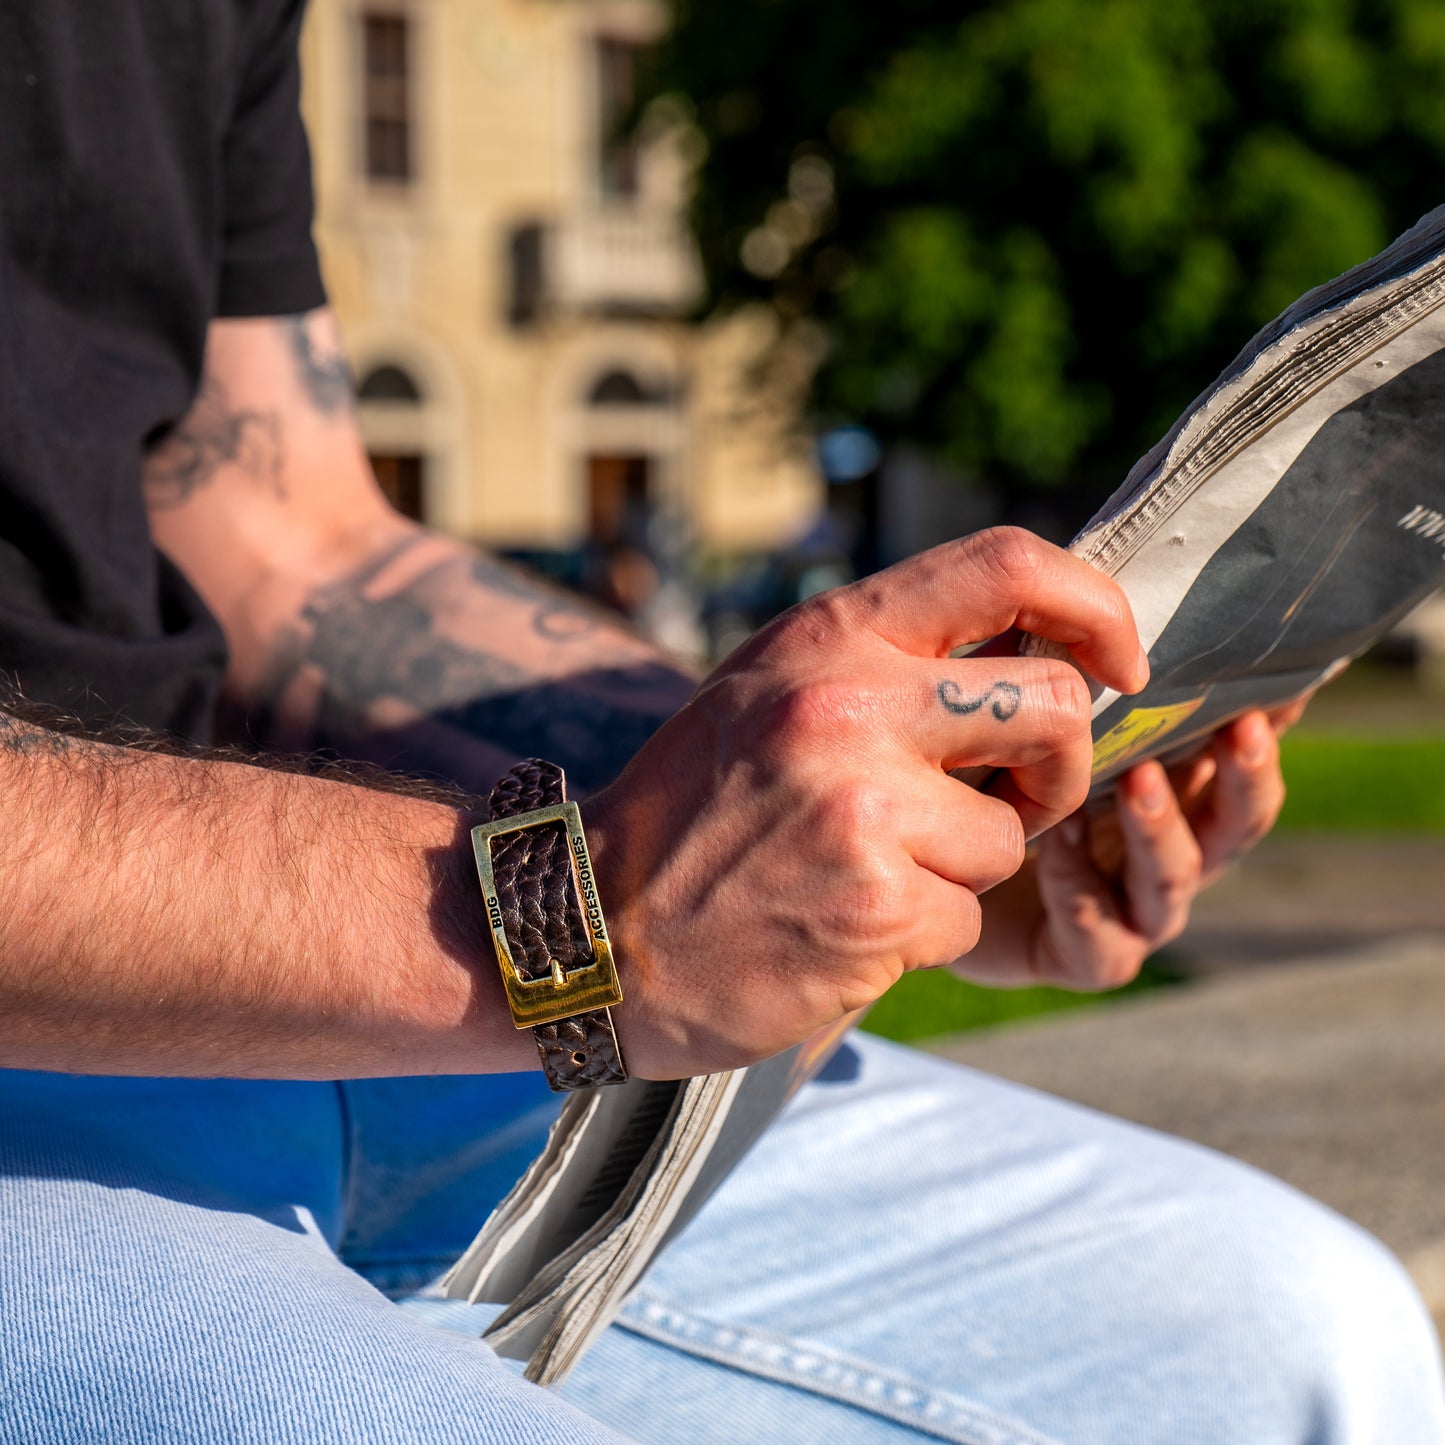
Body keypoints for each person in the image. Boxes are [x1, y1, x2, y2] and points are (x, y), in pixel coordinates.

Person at [2, 5, 1442, 1442]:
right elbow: (575, 905)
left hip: (266, 1013)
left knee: (1296, 1334)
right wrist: (575, 914)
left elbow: (281, 537)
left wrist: (878, 781)